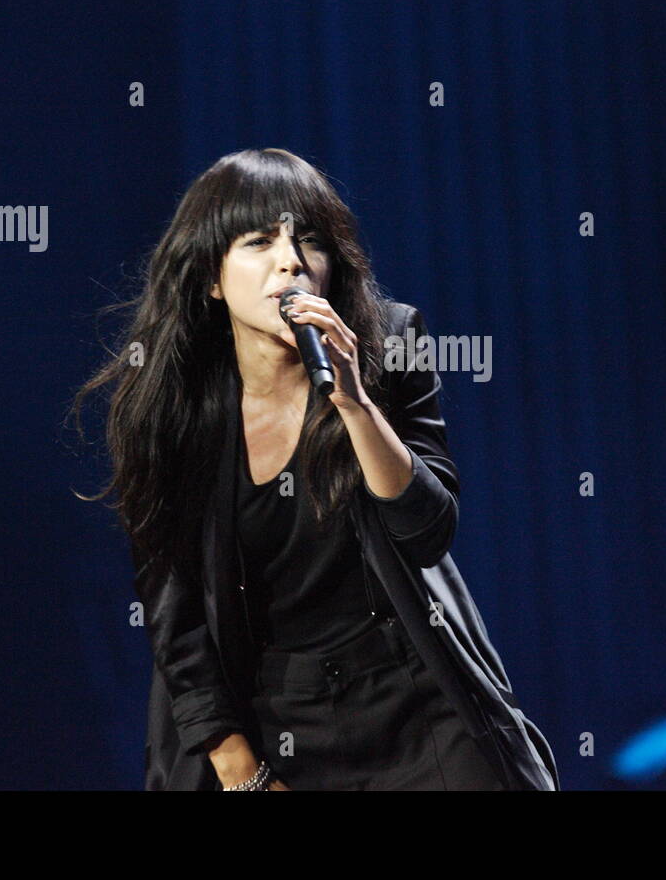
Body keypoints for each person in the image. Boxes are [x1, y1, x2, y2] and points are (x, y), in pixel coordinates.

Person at [72, 148, 559, 790]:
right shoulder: (173, 403)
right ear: (211, 279)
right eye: (258, 241)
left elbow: (427, 531)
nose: (291, 261)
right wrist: (238, 767)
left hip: (416, 699)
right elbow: (173, 610)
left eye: (307, 241)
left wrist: (356, 404)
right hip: (277, 715)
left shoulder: (390, 344)